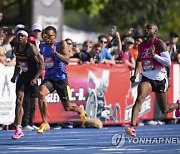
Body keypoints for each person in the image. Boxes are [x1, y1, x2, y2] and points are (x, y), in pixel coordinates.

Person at [125, 23, 180, 137]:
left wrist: (154, 55)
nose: (146, 30)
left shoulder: (159, 44)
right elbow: (139, 60)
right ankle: (132, 126)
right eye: (145, 28)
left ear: (155, 31)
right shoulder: (141, 46)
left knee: (165, 109)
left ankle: (178, 106)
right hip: (146, 77)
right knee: (139, 99)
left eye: (149, 28)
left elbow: (168, 62)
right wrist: (135, 74)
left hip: (160, 79)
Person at [37, 26, 87, 134]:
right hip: (49, 78)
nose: (47, 38)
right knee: (41, 94)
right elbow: (43, 61)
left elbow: (67, 60)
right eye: (45, 36)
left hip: (61, 79)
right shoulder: (42, 46)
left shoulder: (61, 44)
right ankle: (45, 123)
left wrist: (55, 53)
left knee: (67, 107)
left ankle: (79, 110)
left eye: (49, 36)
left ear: (55, 36)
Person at [10, 29, 44, 139]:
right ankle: (19, 128)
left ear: (26, 38)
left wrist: (35, 77)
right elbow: (18, 64)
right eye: (18, 35)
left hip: (34, 75)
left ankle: (40, 121)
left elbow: (41, 64)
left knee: (34, 103)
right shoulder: (15, 48)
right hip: (24, 75)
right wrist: (15, 76)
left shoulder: (31, 48)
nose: (19, 37)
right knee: (19, 99)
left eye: (22, 36)